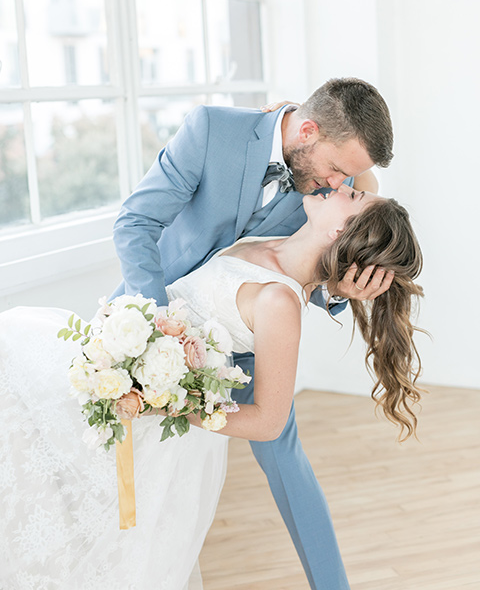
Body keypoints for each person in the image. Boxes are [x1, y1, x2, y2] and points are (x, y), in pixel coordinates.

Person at [0, 186, 424, 590]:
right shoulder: (274, 238)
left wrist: (170, 404)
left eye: (352, 195)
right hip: (121, 364)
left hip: (153, 411)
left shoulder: (280, 303)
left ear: (338, 231)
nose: (339, 185)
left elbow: (269, 422)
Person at [110, 77, 396, 588]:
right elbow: (135, 224)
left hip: (245, 333)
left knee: (282, 450)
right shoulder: (210, 130)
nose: (337, 184)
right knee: (123, 453)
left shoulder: (328, 185)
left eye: (348, 177)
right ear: (305, 130)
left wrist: (345, 287)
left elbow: (324, 251)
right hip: (155, 313)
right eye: (336, 170)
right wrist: (160, 331)